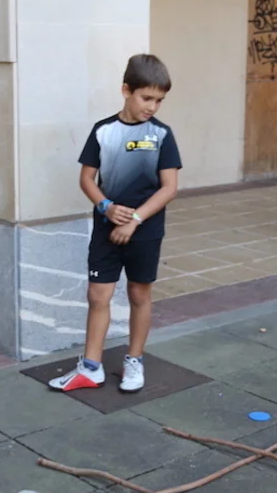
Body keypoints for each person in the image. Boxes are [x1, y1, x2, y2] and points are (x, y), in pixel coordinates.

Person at [48, 54, 182, 394]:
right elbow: (87, 179)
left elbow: (169, 188)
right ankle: (90, 368)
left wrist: (134, 220)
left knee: (139, 293)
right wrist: (106, 207)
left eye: (159, 100)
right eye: (146, 98)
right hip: (106, 230)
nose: (152, 106)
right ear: (126, 90)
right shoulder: (103, 131)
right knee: (98, 295)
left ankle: (134, 360)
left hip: (145, 231)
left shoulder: (162, 135)